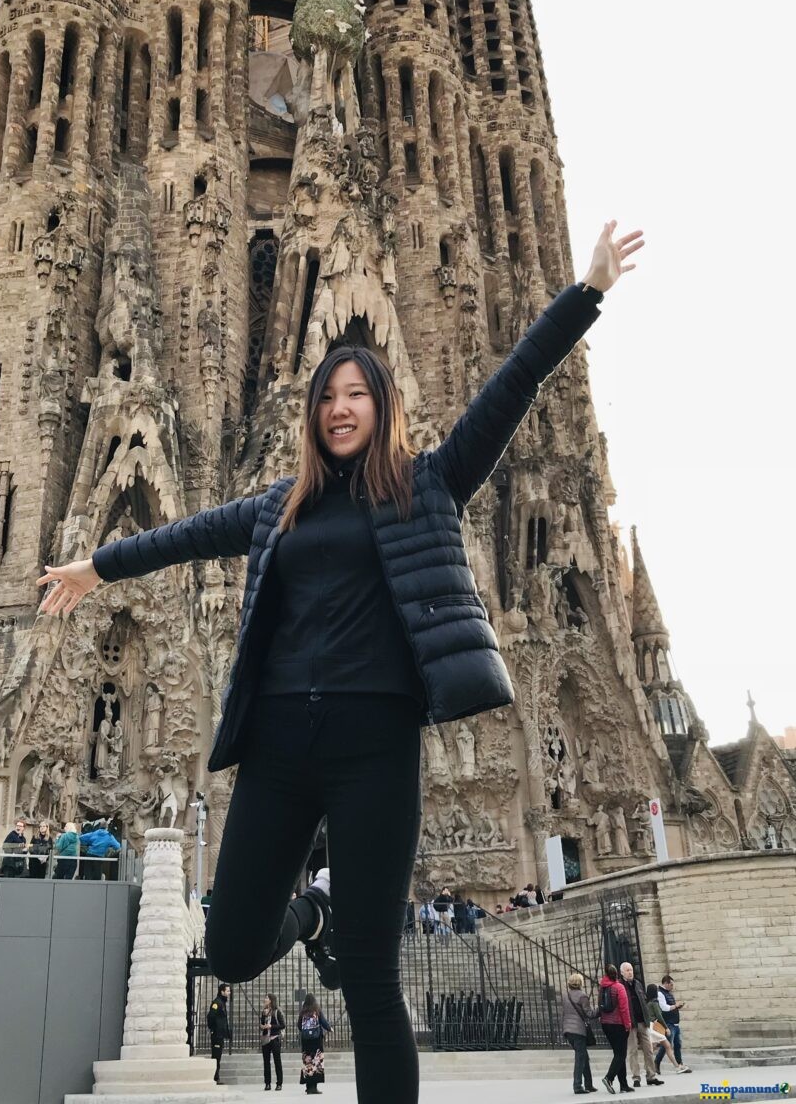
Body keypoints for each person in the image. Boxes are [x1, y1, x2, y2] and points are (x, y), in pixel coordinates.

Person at [40, 223, 643, 1104]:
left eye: (358, 394)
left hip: (374, 743)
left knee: (370, 978)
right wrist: (99, 566)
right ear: (314, 413)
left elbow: (511, 389)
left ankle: (344, 943)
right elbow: (184, 533)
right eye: (329, 396)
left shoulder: (428, 484)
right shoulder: (277, 508)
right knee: (237, 946)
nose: (341, 408)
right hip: (280, 741)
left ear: (383, 407)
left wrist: (586, 290)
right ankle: (310, 914)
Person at [619, 961, 663, 1086]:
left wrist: (648, 1019)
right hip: (630, 1023)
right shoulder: (620, 986)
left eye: (631, 970)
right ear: (622, 973)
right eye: (627, 970)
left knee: (648, 1049)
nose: (630, 972)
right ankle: (636, 1077)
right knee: (632, 1051)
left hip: (642, 1021)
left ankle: (651, 1076)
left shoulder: (637, 984)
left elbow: (644, 1002)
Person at [560, 971, 599, 1095]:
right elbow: (589, 1014)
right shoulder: (582, 996)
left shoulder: (565, 996)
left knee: (583, 1056)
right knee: (580, 1058)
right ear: (580, 983)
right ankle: (577, 1085)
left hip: (568, 1030)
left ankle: (589, 1084)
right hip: (578, 1030)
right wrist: (600, 1009)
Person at [598, 962, 632, 1094]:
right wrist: (628, 1024)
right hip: (618, 1024)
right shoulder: (619, 987)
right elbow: (624, 1009)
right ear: (616, 974)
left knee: (618, 1053)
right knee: (621, 1054)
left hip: (606, 1024)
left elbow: (599, 1005)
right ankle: (609, 1078)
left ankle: (623, 1085)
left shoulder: (602, 988)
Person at [645, 983, 690, 1075]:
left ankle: (648, 1069)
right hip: (654, 1027)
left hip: (650, 1027)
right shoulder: (654, 1002)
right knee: (667, 1046)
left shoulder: (648, 1002)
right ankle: (677, 1067)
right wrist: (666, 1028)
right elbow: (659, 1016)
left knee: (653, 1049)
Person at [297, 993, 333, 1095]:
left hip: (306, 1042)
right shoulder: (317, 1010)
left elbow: (299, 1025)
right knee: (316, 1062)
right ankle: (314, 1087)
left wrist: (306, 1032)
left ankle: (308, 1086)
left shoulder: (303, 1012)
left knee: (308, 1063)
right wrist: (330, 1028)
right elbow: (323, 1022)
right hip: (316, 1041)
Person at [655, 975, 687, 1074]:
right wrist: (675, 1006)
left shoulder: (668, 993)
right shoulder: (660, 993)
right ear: (666, 983)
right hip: (669, 1023)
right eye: (671, 984)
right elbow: (664, 1007)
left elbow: (671, 1006)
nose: (673, 986)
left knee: (677, 1044)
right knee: (666, 1045)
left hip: (675, 1023)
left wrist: (677, 1007)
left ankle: (680, 1064)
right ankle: (657, 1061)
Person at [260, 992, 287, 1091]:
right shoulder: (264, 1012)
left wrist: (272, 1026)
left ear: (271, 1000)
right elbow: (262, 1024)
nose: (265, 999)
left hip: (275, 1038)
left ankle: (279, 1083)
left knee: (277, 1061)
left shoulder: (277, 1012)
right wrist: (262, 1026)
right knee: (266, 1062)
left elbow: (283, 1025)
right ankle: (267, 1083)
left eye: (266, 998)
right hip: (266, 1039)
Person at [207, 982, 231, 1085]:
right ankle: (215, 1078)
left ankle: (216, 1077)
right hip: (217, 1034)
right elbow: (210, 1017)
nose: (229, 993)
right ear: (222, 992)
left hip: (220, 1034)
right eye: (228, 991)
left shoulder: (222, 1002)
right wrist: (213, 1029)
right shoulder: (217, 1003)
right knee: (216, 1057)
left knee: (218, 1056)